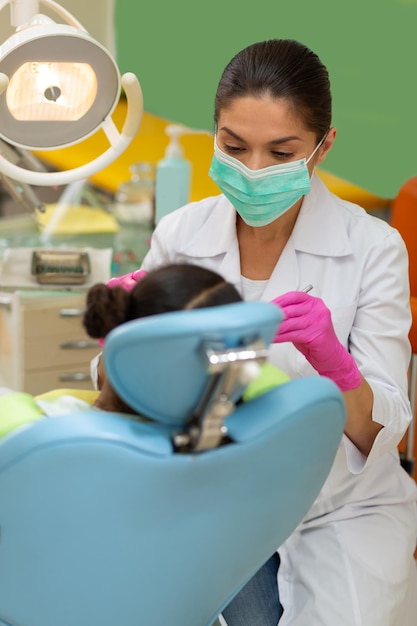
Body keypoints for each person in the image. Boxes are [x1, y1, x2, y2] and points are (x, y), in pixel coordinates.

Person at [102, 38, 417, 625]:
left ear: (322, 147)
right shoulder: (182, 234)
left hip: (336, 516)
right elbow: (127, 396)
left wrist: (338, 368)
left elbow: (386, 431)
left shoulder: (373, 248)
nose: (253, 170)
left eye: (280, 151)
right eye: (234, 146)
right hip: (211, 502)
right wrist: (122, 338)